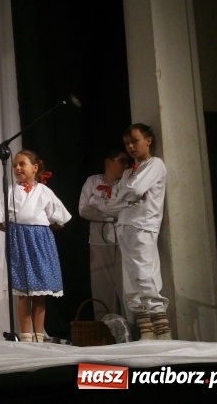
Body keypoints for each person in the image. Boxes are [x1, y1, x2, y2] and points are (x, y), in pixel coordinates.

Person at [93, 124, 170, 340]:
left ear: (148, 140)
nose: (130, 147)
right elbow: (114, 201)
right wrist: (125, 195)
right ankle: (146, 331)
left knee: (146, 276)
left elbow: (135, 190)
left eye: (134, 141)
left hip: (143, 225)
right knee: (131, 281)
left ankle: (163, 331)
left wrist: (125, 194)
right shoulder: (129, 172)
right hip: (124, 226)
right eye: (127, 143)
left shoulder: (155, 164)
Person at [0, 150, 71, 342]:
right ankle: (26, 335)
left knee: (40, 293)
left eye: (22, 164)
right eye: (15, 165)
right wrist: (16, 233)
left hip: (40, 245)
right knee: (24, 292)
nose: (17, 168)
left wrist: (42, 233)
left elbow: (61, 220)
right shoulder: (10, 191)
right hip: (19, 244)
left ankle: (39, 334)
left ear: (35, 168)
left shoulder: (44, 192)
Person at [78, 149, 132, 319]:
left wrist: (98, 204)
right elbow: (83, 210)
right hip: (98, 241)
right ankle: (105, 332)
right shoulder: (92, 181)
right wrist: (110, 214)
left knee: (125, 288)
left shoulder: (127, 183)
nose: (126, 165)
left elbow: (125, 209)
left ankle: (130, 331)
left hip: (122, 241)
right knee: (101, 289)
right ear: (109, 162)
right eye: (122, 161)